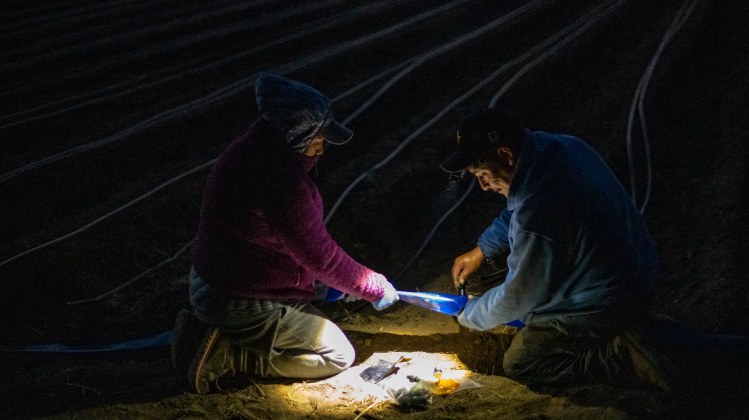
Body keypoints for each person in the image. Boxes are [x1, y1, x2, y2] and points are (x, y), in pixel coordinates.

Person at [171, 72, 399, 394]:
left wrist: (333, 284)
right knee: (338, 355)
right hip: (239, 300)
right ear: (297, 135)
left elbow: (285, 246)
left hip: (214, 283)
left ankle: (209, 332)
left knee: (323, 296)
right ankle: (228, 356)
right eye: (319, 138)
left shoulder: (248, 152)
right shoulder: (280, 183)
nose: (322, 148)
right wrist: (371, 285)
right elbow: (321, 257)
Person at [440, 107, 673, 390]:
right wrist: (482, 250)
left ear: (505, 155)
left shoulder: (538, 212)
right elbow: (517, 210)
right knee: (509, 274)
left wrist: (471, 314)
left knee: (523, 362)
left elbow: (519, 296)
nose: (484, 186)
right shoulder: (559, 148)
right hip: (636, 268)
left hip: (606, 298)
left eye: (483, 174)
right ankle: (630, 326)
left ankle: (621, 356)